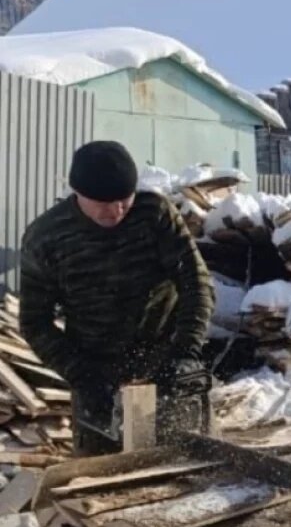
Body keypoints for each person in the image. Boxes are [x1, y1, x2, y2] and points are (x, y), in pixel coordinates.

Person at [19, 142, 214, 455]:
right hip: (96, 376)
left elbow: (196, 281)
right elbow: (34, 321)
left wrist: (187, 349)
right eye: (102, 202)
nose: (115, 211)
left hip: (166, 364)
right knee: (102, 486)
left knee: (186, 475)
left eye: (124, 199)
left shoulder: (154, 214)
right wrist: (81, 375)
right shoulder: (46, 237)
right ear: (77, 192)